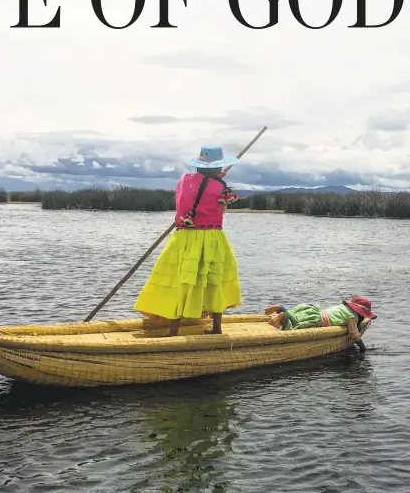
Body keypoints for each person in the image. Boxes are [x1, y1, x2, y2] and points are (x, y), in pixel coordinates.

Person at [134, 146, 242, 336]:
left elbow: (182, 201)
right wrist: (217, 183)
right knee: (214, 279)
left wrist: (212, 181)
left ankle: (173, 331)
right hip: (212, 237)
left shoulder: (184, 180)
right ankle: (217, 328)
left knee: (179, 280)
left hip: (184, 235)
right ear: (218, 167)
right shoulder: (221, 187)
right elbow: (220, 210)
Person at [265, 296, 377, 351]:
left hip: (315, 312)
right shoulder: (352, 316)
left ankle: (282, 309)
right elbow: (354, 333)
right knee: (294, 327)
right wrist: (363, 348)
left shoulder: (343, 308)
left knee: (296, 317)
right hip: (319, 321)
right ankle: (282, 318)